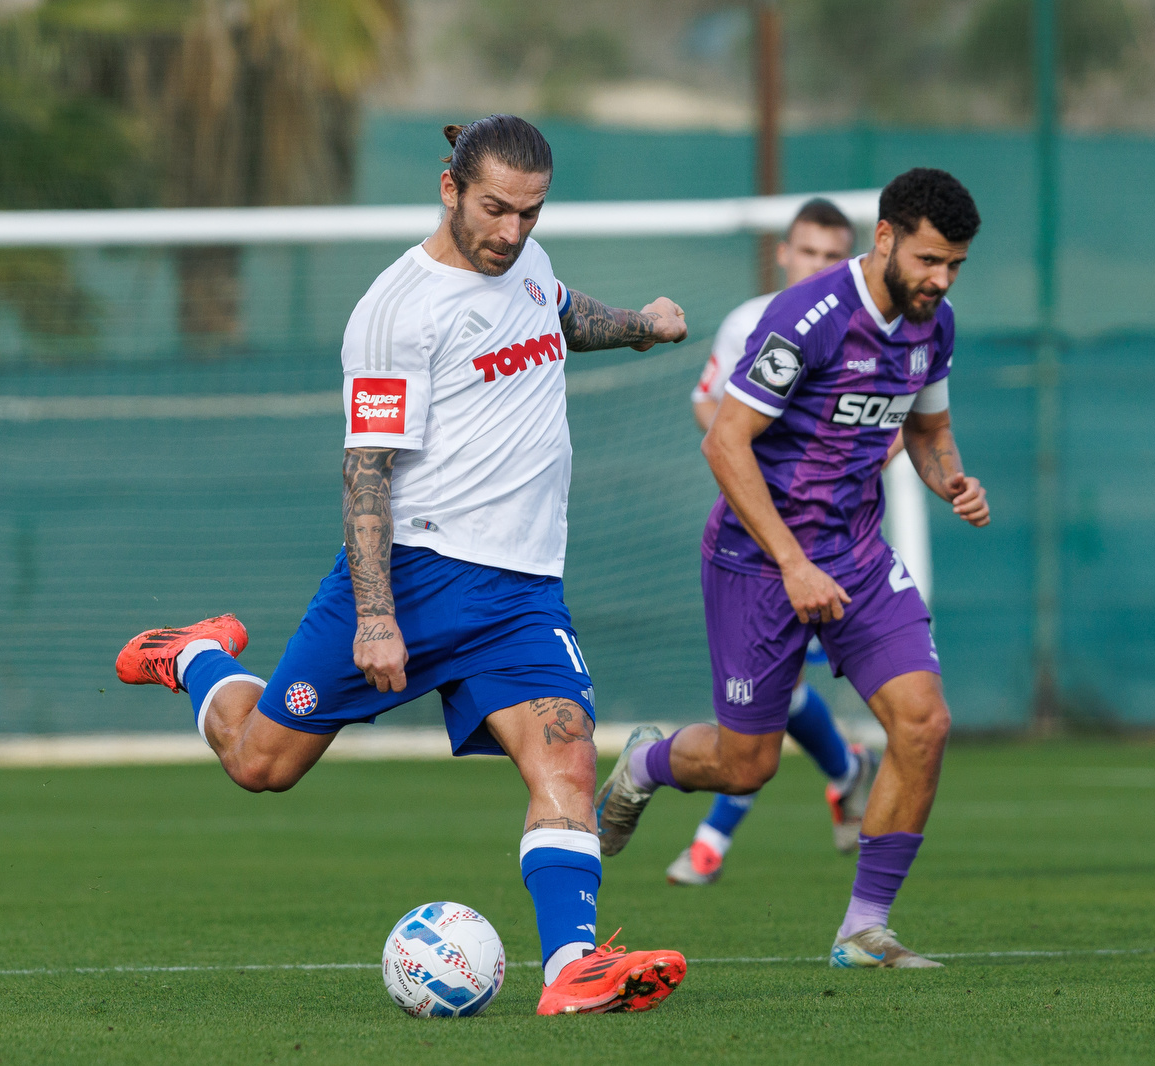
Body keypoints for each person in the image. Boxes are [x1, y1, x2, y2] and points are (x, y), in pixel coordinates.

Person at [115, 115, 691, 1015]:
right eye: (495, 209)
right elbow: (366, 475)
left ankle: (573, 967)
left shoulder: (526, 264)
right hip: (413, 574)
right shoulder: (398, 311)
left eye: (529, 215)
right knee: (262, 763)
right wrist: (377, 617)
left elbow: (561, 314)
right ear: (449, 187)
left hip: (523, 590)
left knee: (569, 759)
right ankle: (196, 658)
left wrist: (640, 327)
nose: (510, 232)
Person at [596, 168, 990, 968]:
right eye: (929, 261)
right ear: (884, 239)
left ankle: (863, 929)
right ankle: (644, 763)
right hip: (757, 561)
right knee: (750, 763)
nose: (941, 280)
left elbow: (925, 428)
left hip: (858, 555)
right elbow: (724, 441)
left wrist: (951, 478)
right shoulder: (807, 318)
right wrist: (792, 563)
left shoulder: (933, 325)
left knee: (924, 723)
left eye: (955, 265)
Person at [668, 198, 876, 888]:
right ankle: (847, 769)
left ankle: (712, 840)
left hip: (834, 543)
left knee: (772, 692)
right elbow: (709, 408)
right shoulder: (747, 324)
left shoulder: (867, 330)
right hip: (755, 543)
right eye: (808, 252)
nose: (818, 266)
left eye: (832, 256)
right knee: (772, 696)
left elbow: (893, 428)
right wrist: (748, 448)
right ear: (784, 254)